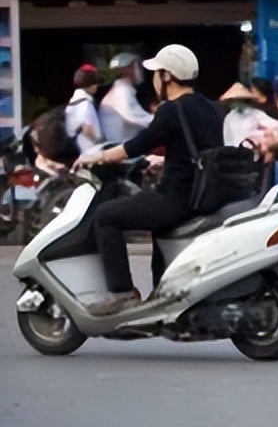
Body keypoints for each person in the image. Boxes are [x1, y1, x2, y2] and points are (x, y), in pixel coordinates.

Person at [74, 44, 223, 317]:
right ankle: (162, 295)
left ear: (166, 76)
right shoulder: (210, 107)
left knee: (105, 216)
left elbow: (137, 145)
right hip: (202, 196)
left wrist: (97, 157)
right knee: (156, 224)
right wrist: (167, 161)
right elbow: (203, 152)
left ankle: (122, 294)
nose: (154, 79)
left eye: (157, 73)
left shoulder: (171, 110)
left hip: (177, 198)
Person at [98, 53, 154, 143]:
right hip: (120, 147)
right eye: (135, 66)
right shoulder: (122, 91)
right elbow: (134, 116)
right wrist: (160, 120)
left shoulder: (123, 89)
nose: (139, 70)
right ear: (126, 69)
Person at [65, 64, 102, 155]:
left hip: (77, 149)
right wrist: (99, 142)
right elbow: (87, 128)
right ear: (90, 84)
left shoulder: (73, 102)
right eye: (95, 82)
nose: (97, 86)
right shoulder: (85, 104)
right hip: (89, 150)